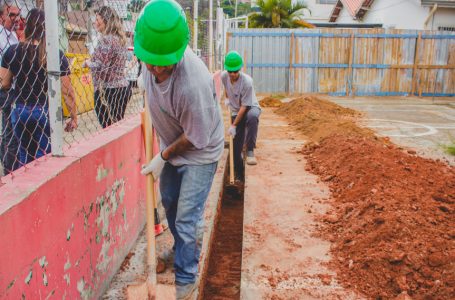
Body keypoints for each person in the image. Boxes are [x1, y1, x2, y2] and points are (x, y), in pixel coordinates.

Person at [135, 0, 224, 298]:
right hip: (172, 145)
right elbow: (150, 85)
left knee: (187, 217)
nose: (157, 68)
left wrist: (162, 156)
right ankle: (182, 246)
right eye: (151, 61)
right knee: (171, 202)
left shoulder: (193, 83)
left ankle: (186, 281)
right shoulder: (150, 57)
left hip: (200, 150)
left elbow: (195, 138)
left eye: (164, 62)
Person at [0, 8, 77, 166]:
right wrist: (74, 117)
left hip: (20, 109)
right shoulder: (54, 54)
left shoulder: (13, 51)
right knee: (45, 156)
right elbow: (66, 90)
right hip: (44, 109)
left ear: (27, 26)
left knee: (24, 154)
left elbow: (5, 83)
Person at [86, 6, 131, 128]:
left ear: (106, 21)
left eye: (98, 19)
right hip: (122, 88)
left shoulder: (107, 40)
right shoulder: (119, 39)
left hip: (108, 91)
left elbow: (101, 66)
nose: (95, 22)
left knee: (108, 128)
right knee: (116, 126)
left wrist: (87, 63)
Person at [221, 50, 261, 180]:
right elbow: (227, 88)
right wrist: (227, 99)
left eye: (235, 71)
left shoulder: (247, 82)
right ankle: (238, 175)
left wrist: (233, 125)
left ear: (240, 69)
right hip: (235, 110)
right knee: (235, 146)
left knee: (252, 117)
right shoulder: (223, 76)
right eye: (230, 71)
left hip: (249, 107)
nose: (232, 74)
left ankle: (250, 150)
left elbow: (244, 107)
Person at [0, 0, 20, 174]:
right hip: (5, 88)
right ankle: (9, 169)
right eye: (11, 15)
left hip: (13, 87)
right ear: (1, 16)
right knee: (10, 132)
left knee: (11, 130)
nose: (15, 18)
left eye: (17, 15)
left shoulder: (12, 35)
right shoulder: (1, 36)